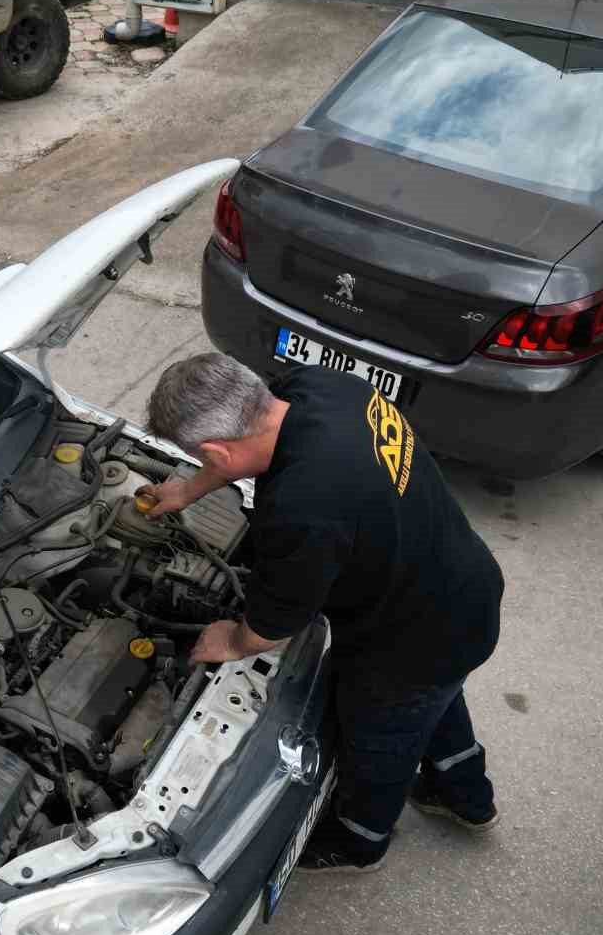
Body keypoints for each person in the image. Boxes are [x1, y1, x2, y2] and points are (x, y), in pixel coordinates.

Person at [140, 354, 505, 873]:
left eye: (205, 460)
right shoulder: (323, 387)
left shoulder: (303, 503)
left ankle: (361, 841)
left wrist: (232, 639)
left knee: (379, 738)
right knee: (432, 701)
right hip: (459, 586)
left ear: (215, 449)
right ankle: (465, 794)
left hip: (410, 639)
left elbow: (272, 626)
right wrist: (188, 489)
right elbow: (234, 460)